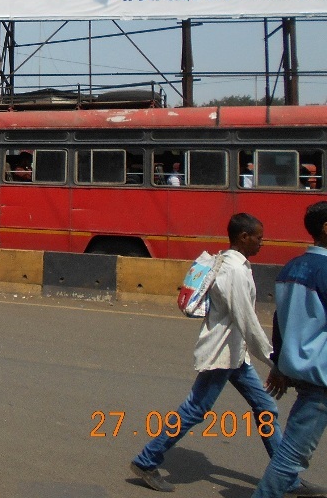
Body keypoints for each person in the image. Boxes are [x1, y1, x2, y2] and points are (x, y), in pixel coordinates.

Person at [130, 213, 322, 495]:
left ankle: (288, 476)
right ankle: (146, 460)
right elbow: (246, 320)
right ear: (243, 237)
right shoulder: (233, 270)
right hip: (221, 354)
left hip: (235, 354)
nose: (262, 243)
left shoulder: (234, 264)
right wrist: (275, 360)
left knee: (265, 408)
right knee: (195, 409)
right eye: (258, 237)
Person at [251, 202, 327, 498]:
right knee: (292, 456)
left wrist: (279, 366)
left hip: (298, 368)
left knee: (294, 449)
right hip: (320, 376)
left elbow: (279, 321)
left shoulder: (291, 268)